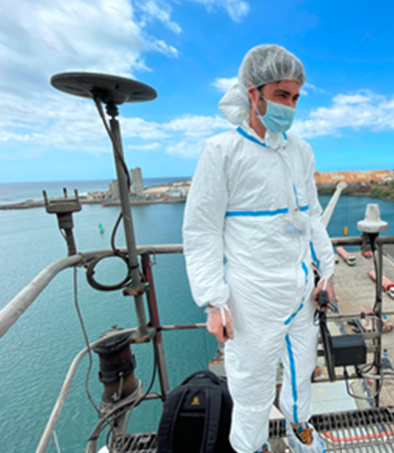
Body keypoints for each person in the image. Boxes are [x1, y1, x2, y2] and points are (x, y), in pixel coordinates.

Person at [182, 44, 334, 453]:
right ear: (253, 93)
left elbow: (312, 216)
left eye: (296, 98)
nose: (290, 106)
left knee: (302, 369)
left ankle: (299, 428)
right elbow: (201, 232)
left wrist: (328, 273)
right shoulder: (222, 151)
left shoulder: (299, 151)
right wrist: (215, 302)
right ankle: (250, 447)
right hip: (251, 298)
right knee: (251, 385)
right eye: (282, 95)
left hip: (301, 292)